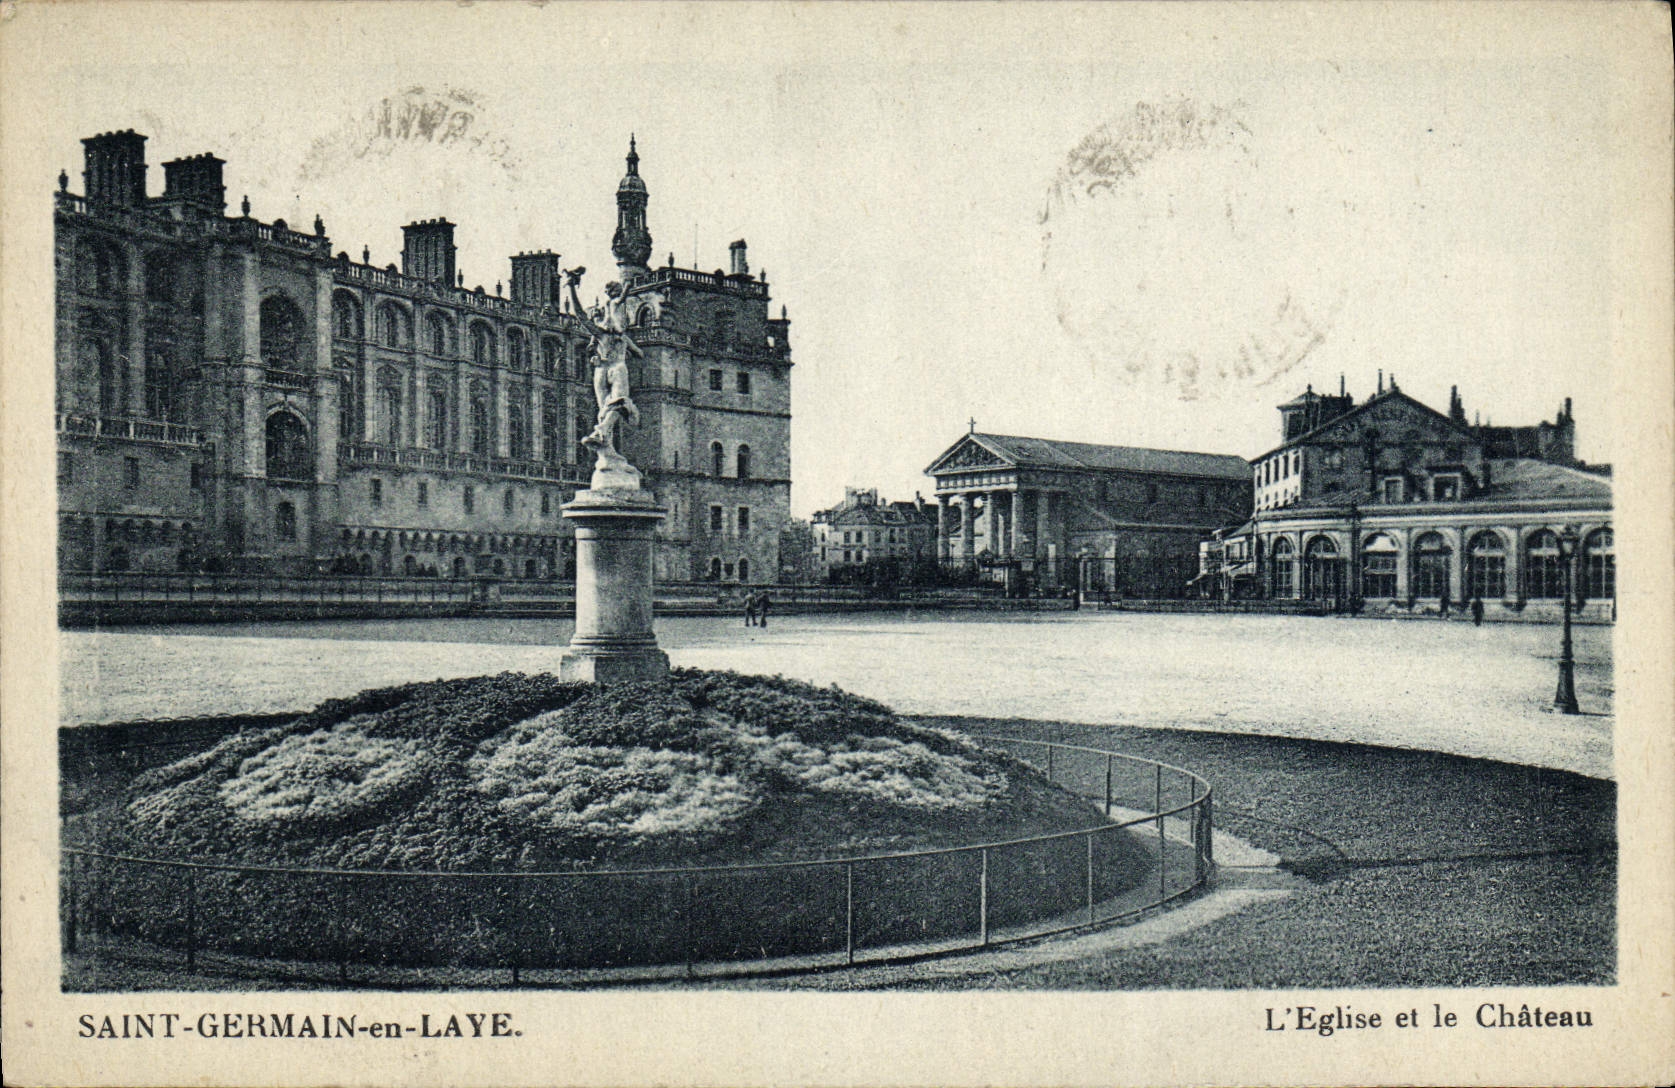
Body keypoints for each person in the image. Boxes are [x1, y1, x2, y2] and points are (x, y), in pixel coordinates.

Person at [565, 268, 643, 469]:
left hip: (600, 372)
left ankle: (603, 442)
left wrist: (571, 287)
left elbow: (580, 315)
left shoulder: (601, 335)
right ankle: (601, 433)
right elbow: (640, 353)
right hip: (616, 368)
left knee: (607, 410)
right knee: (618, 403)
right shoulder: (616, 336)